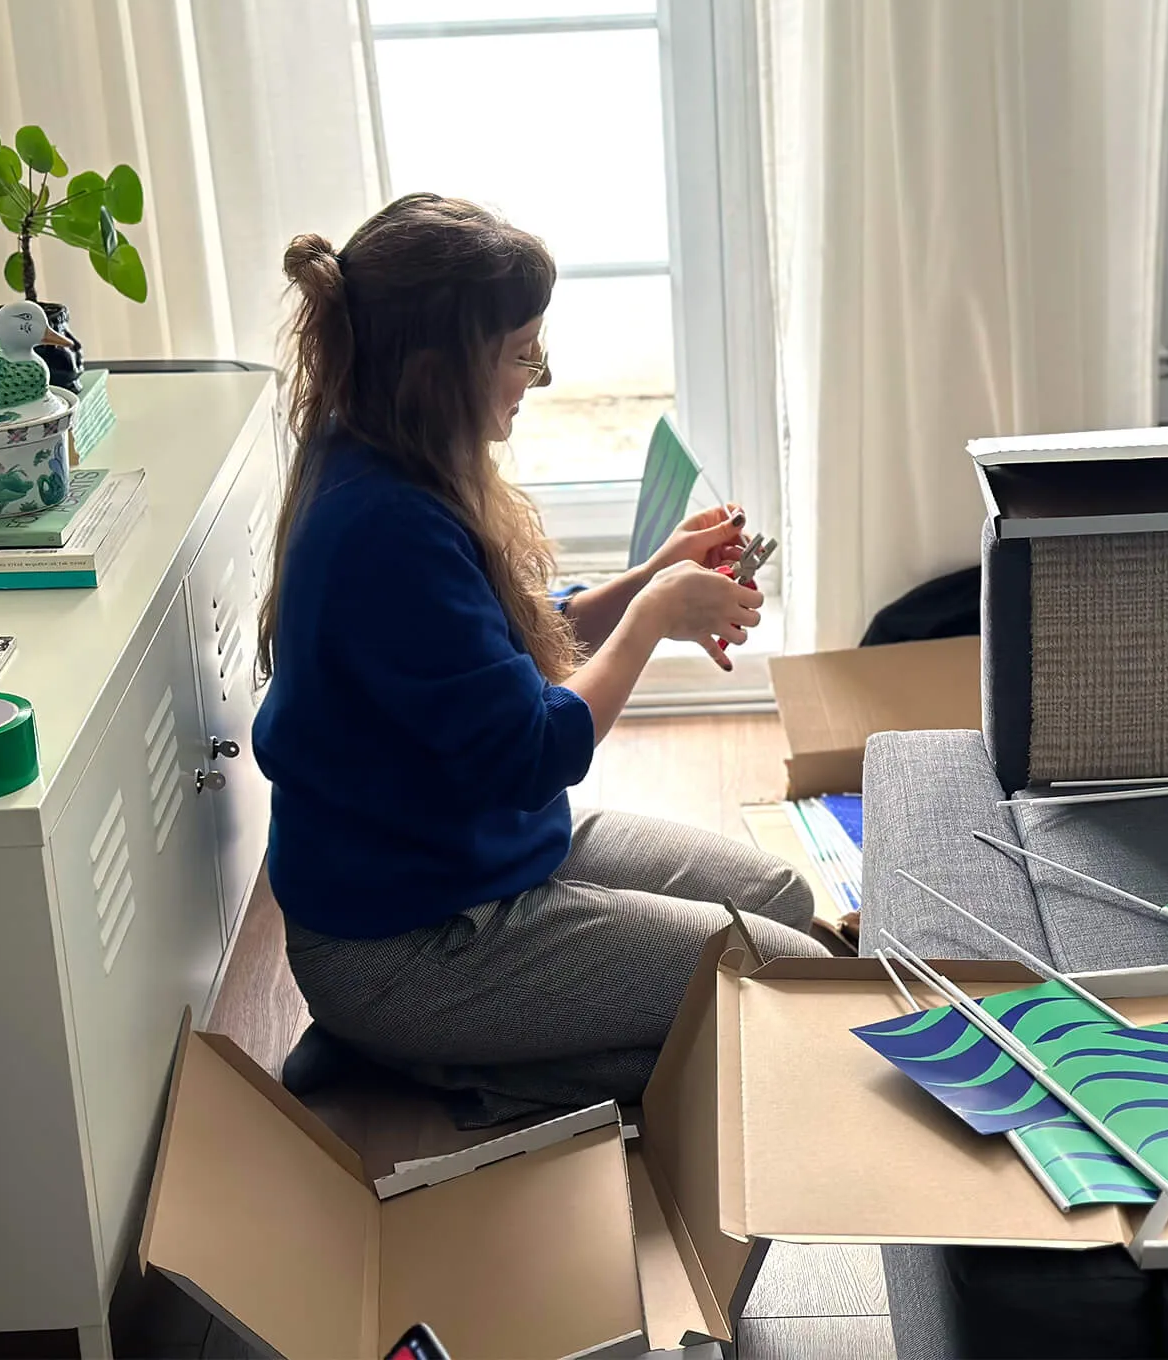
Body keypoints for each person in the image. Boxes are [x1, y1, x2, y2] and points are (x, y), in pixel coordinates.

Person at [252, 193, 826, 1127]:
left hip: (483, 859)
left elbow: (495, 652)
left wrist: (647, 579)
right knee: (781, 993)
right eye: (521, 350)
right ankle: (414, 1055)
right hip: (410, 942)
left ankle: (454, 1041)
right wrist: (649, 619)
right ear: (440, 367)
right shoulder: (384, 527)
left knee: (784, 902)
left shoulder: (387, 455)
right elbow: (537, 750)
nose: (537, 373)